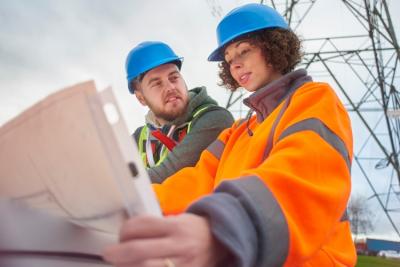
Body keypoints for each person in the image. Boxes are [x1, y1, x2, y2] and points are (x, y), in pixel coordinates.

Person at [104, 3, 356, 267]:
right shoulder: (237, 132)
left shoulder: (314, 100)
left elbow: (301, 180)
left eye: (244, 51)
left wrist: (225, 229)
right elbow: (197, 180)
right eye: (229, 59)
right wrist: (134, 205)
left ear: (275, 45)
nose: (235, 65)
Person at [126, 41, 234, 183]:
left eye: (174, 77)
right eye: (157, 83)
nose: (170, 87)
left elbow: (167, 174)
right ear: (141, 98)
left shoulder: (214, 119)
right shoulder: (139, 138)